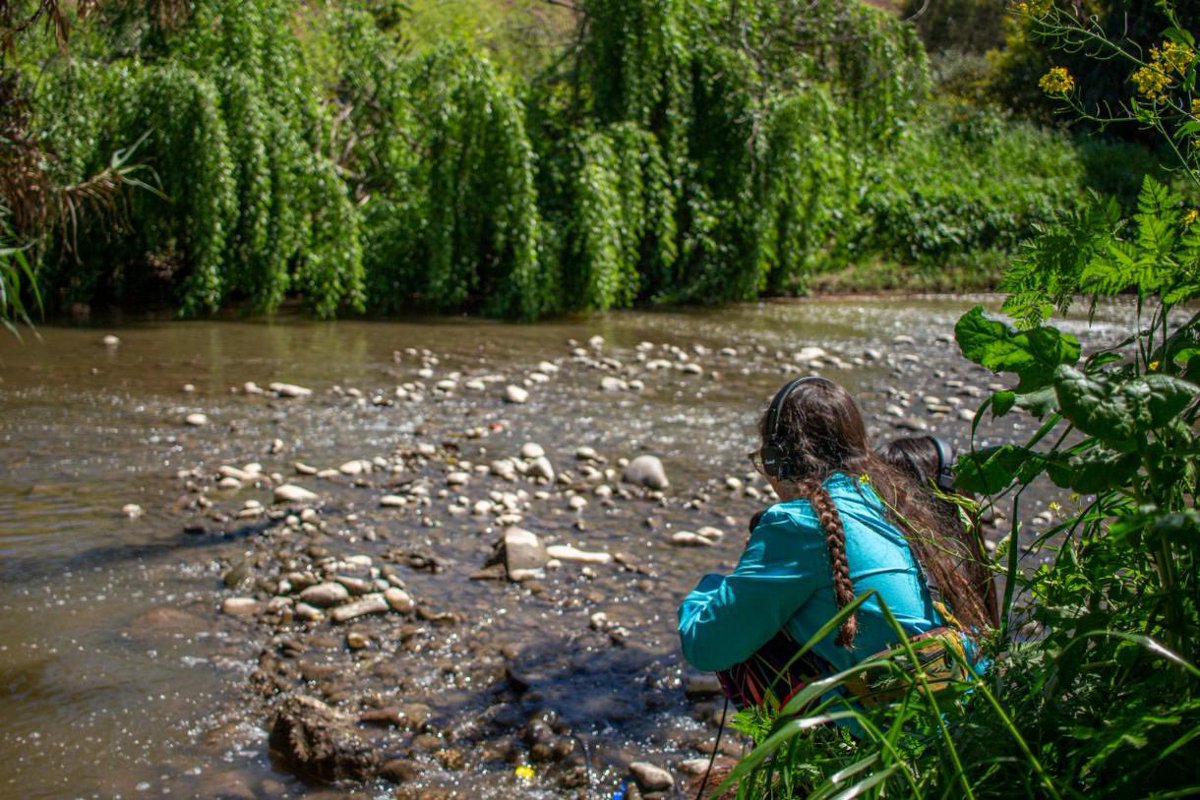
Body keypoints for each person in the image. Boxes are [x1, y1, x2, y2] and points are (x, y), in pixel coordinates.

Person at [677, 377, 993, 712]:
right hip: (966, 713)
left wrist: (710, 588)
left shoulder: (795, 524)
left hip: (894, 735)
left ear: (775, 460)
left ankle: (811, 753)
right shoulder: (897, 501)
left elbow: (707, 646)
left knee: (755, 644)